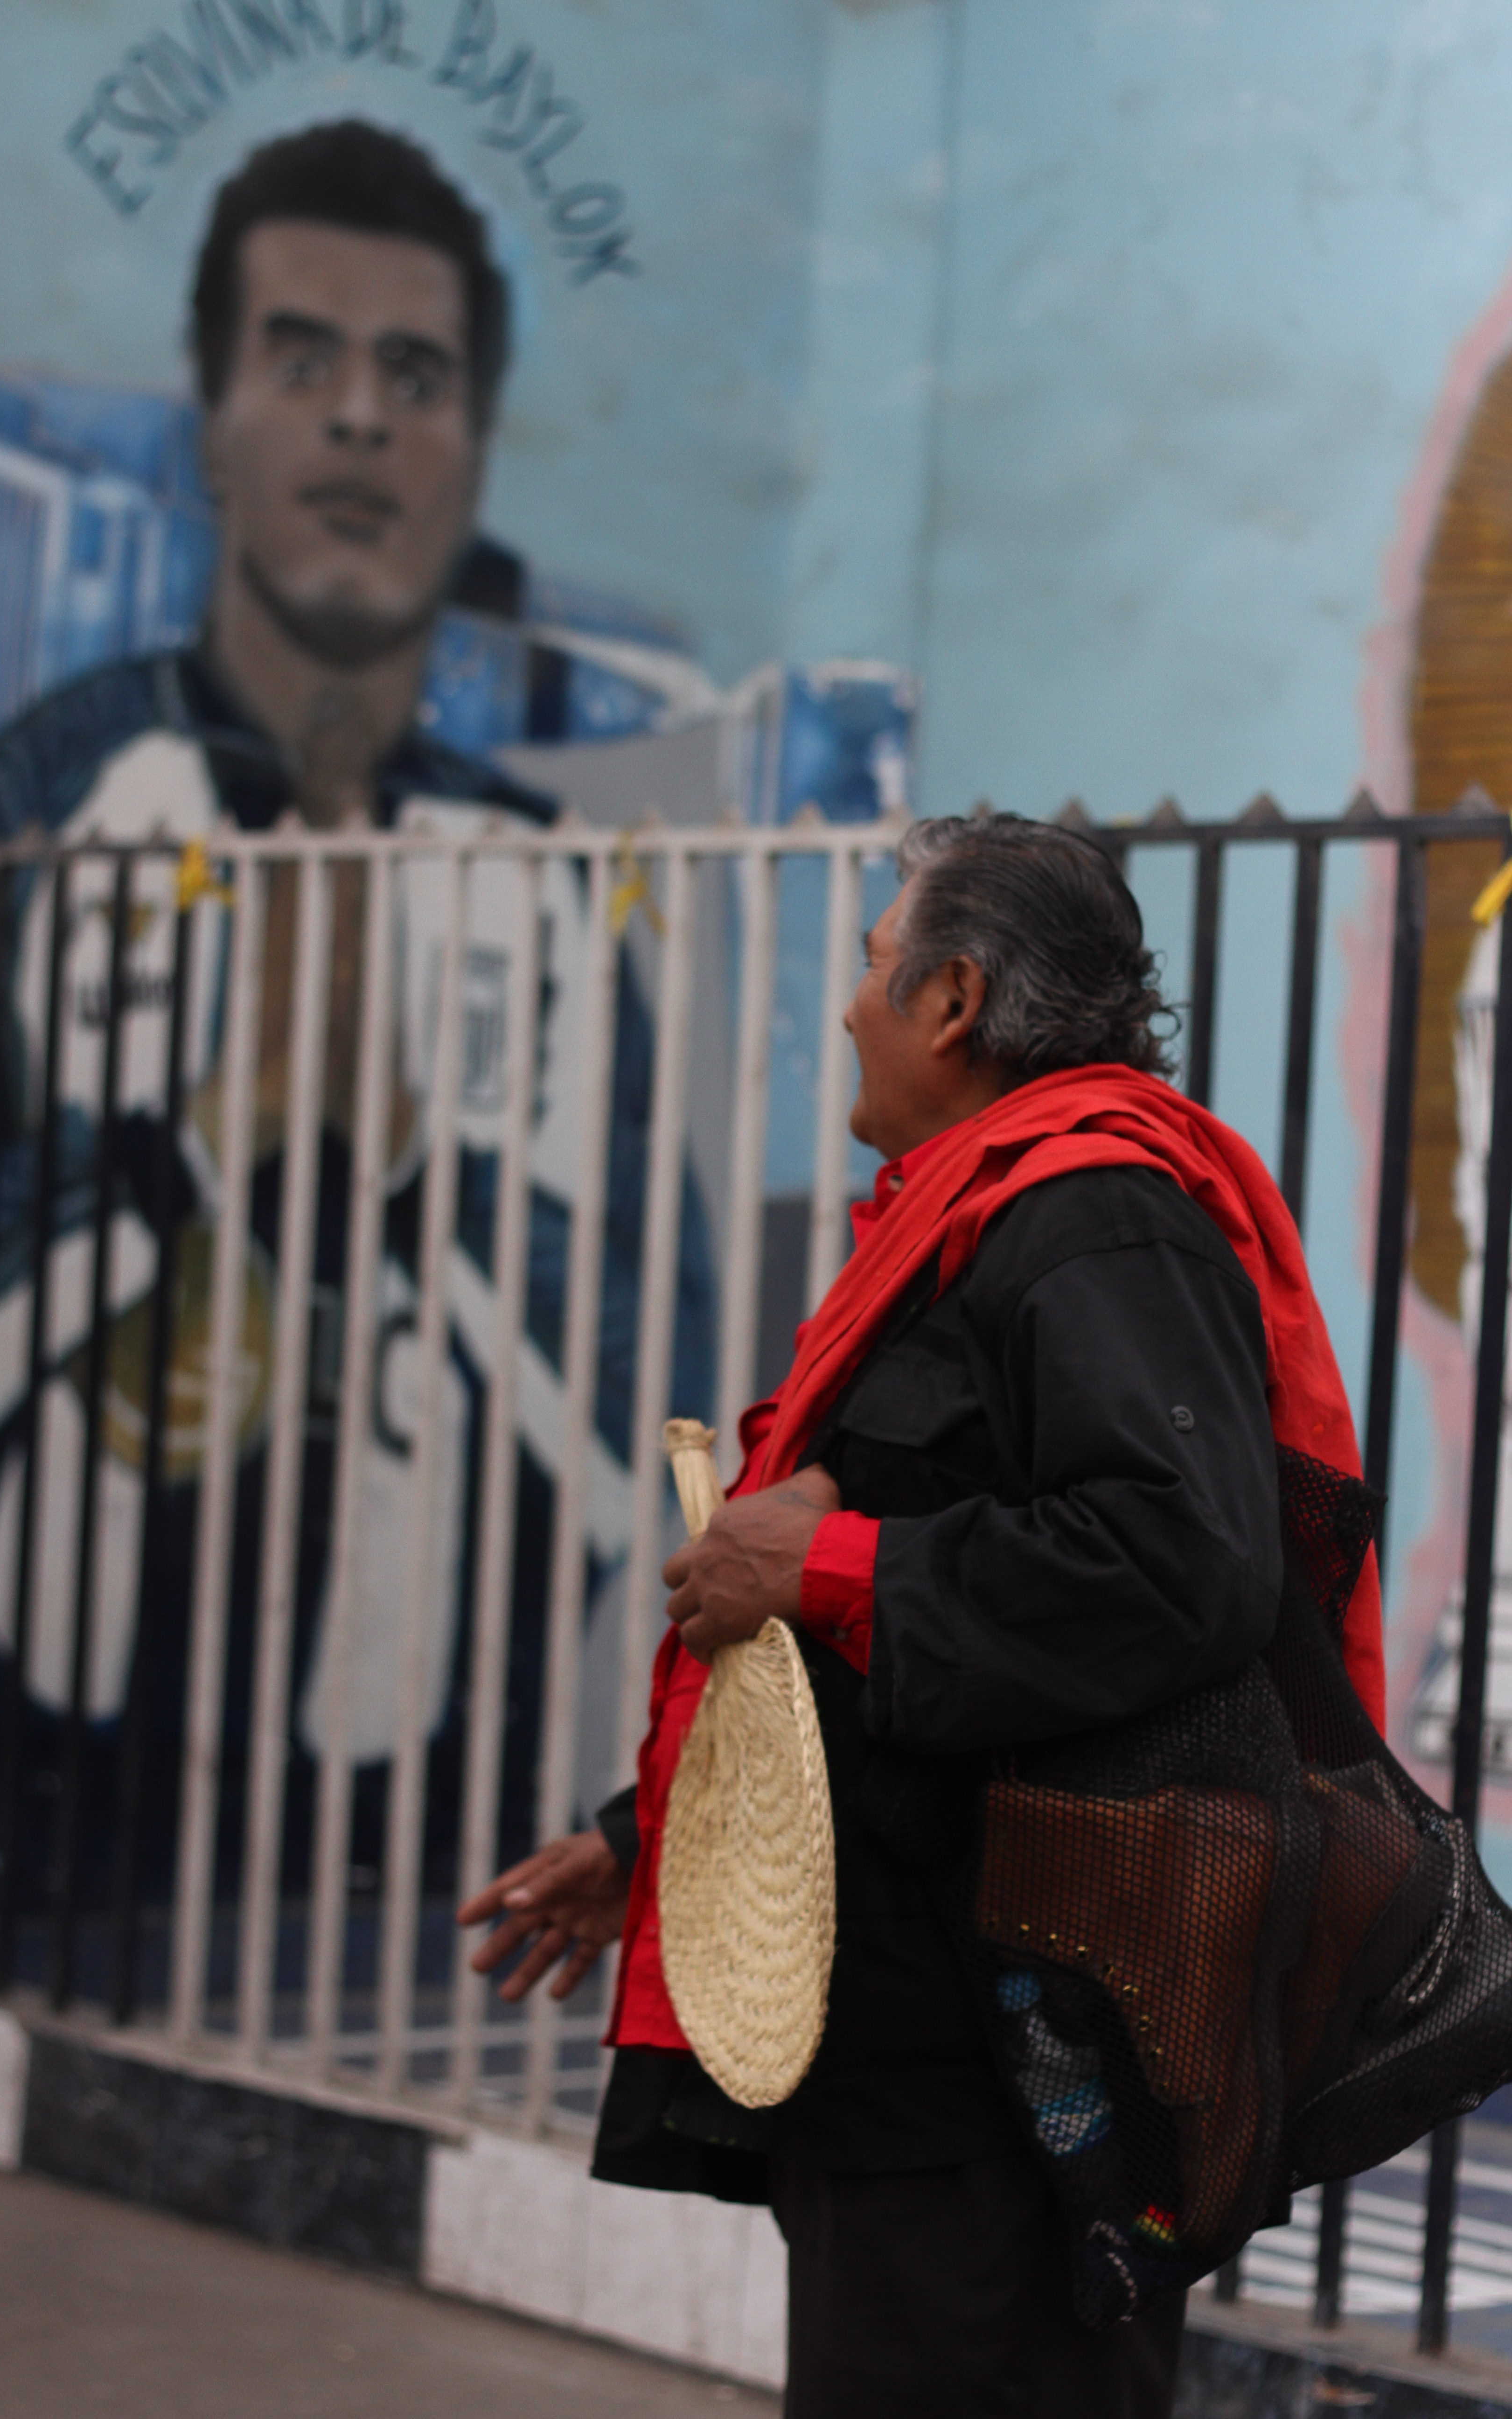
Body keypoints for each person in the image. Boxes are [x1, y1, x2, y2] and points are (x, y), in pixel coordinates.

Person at [459, 811, 1386, 2419]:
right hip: (916, 2019)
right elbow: (949, 1539)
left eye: (877, 960)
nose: (849, 1001)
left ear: (955, 999)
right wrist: (651, 1830)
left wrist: (828, 1564)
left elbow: (1179, 1562)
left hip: (1015, 2056)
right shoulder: (984, 1209)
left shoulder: (1093, 1217)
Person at [0, 121, 712, 1923]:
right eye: (303, 359)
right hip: (34, 1815)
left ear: (473, 446)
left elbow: (664, 1361)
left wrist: (433, 1182)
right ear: (213, 421)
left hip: (413, 1846)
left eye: (414, 376)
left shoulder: (546, 886)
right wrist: (161, 1164)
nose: (361, 420)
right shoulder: (36, 805)